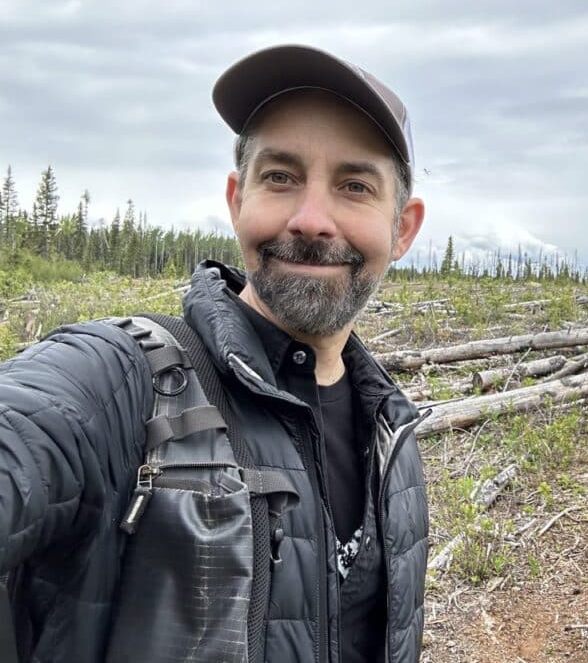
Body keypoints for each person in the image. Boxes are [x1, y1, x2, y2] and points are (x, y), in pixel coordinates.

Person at [0, 44, 429, 662]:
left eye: (354, 186)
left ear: (403, 228)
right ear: (236, 200)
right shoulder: (122, 380)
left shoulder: (394, 437)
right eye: (280, 177)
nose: (311, 219)